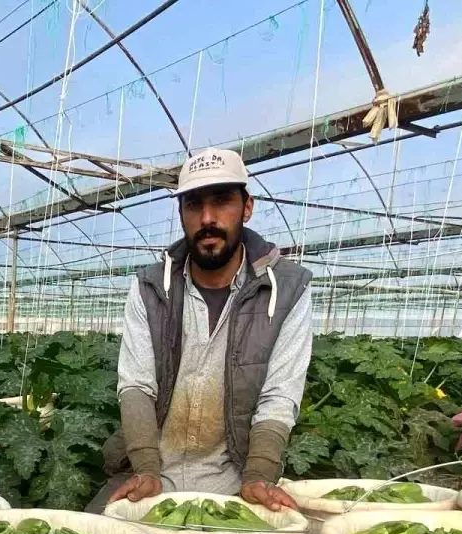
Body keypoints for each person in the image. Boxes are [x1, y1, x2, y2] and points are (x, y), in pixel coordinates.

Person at [96, 148, 312, 513]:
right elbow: (136, 385)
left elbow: (279, 397)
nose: (207, 218)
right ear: (181, 213)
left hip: (236, 481)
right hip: (150, 477)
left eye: (222, 201)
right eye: (193, 205)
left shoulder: (289, 290)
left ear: (247, 207)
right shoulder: (150, 287)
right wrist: (146, 467)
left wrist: (259, 473)